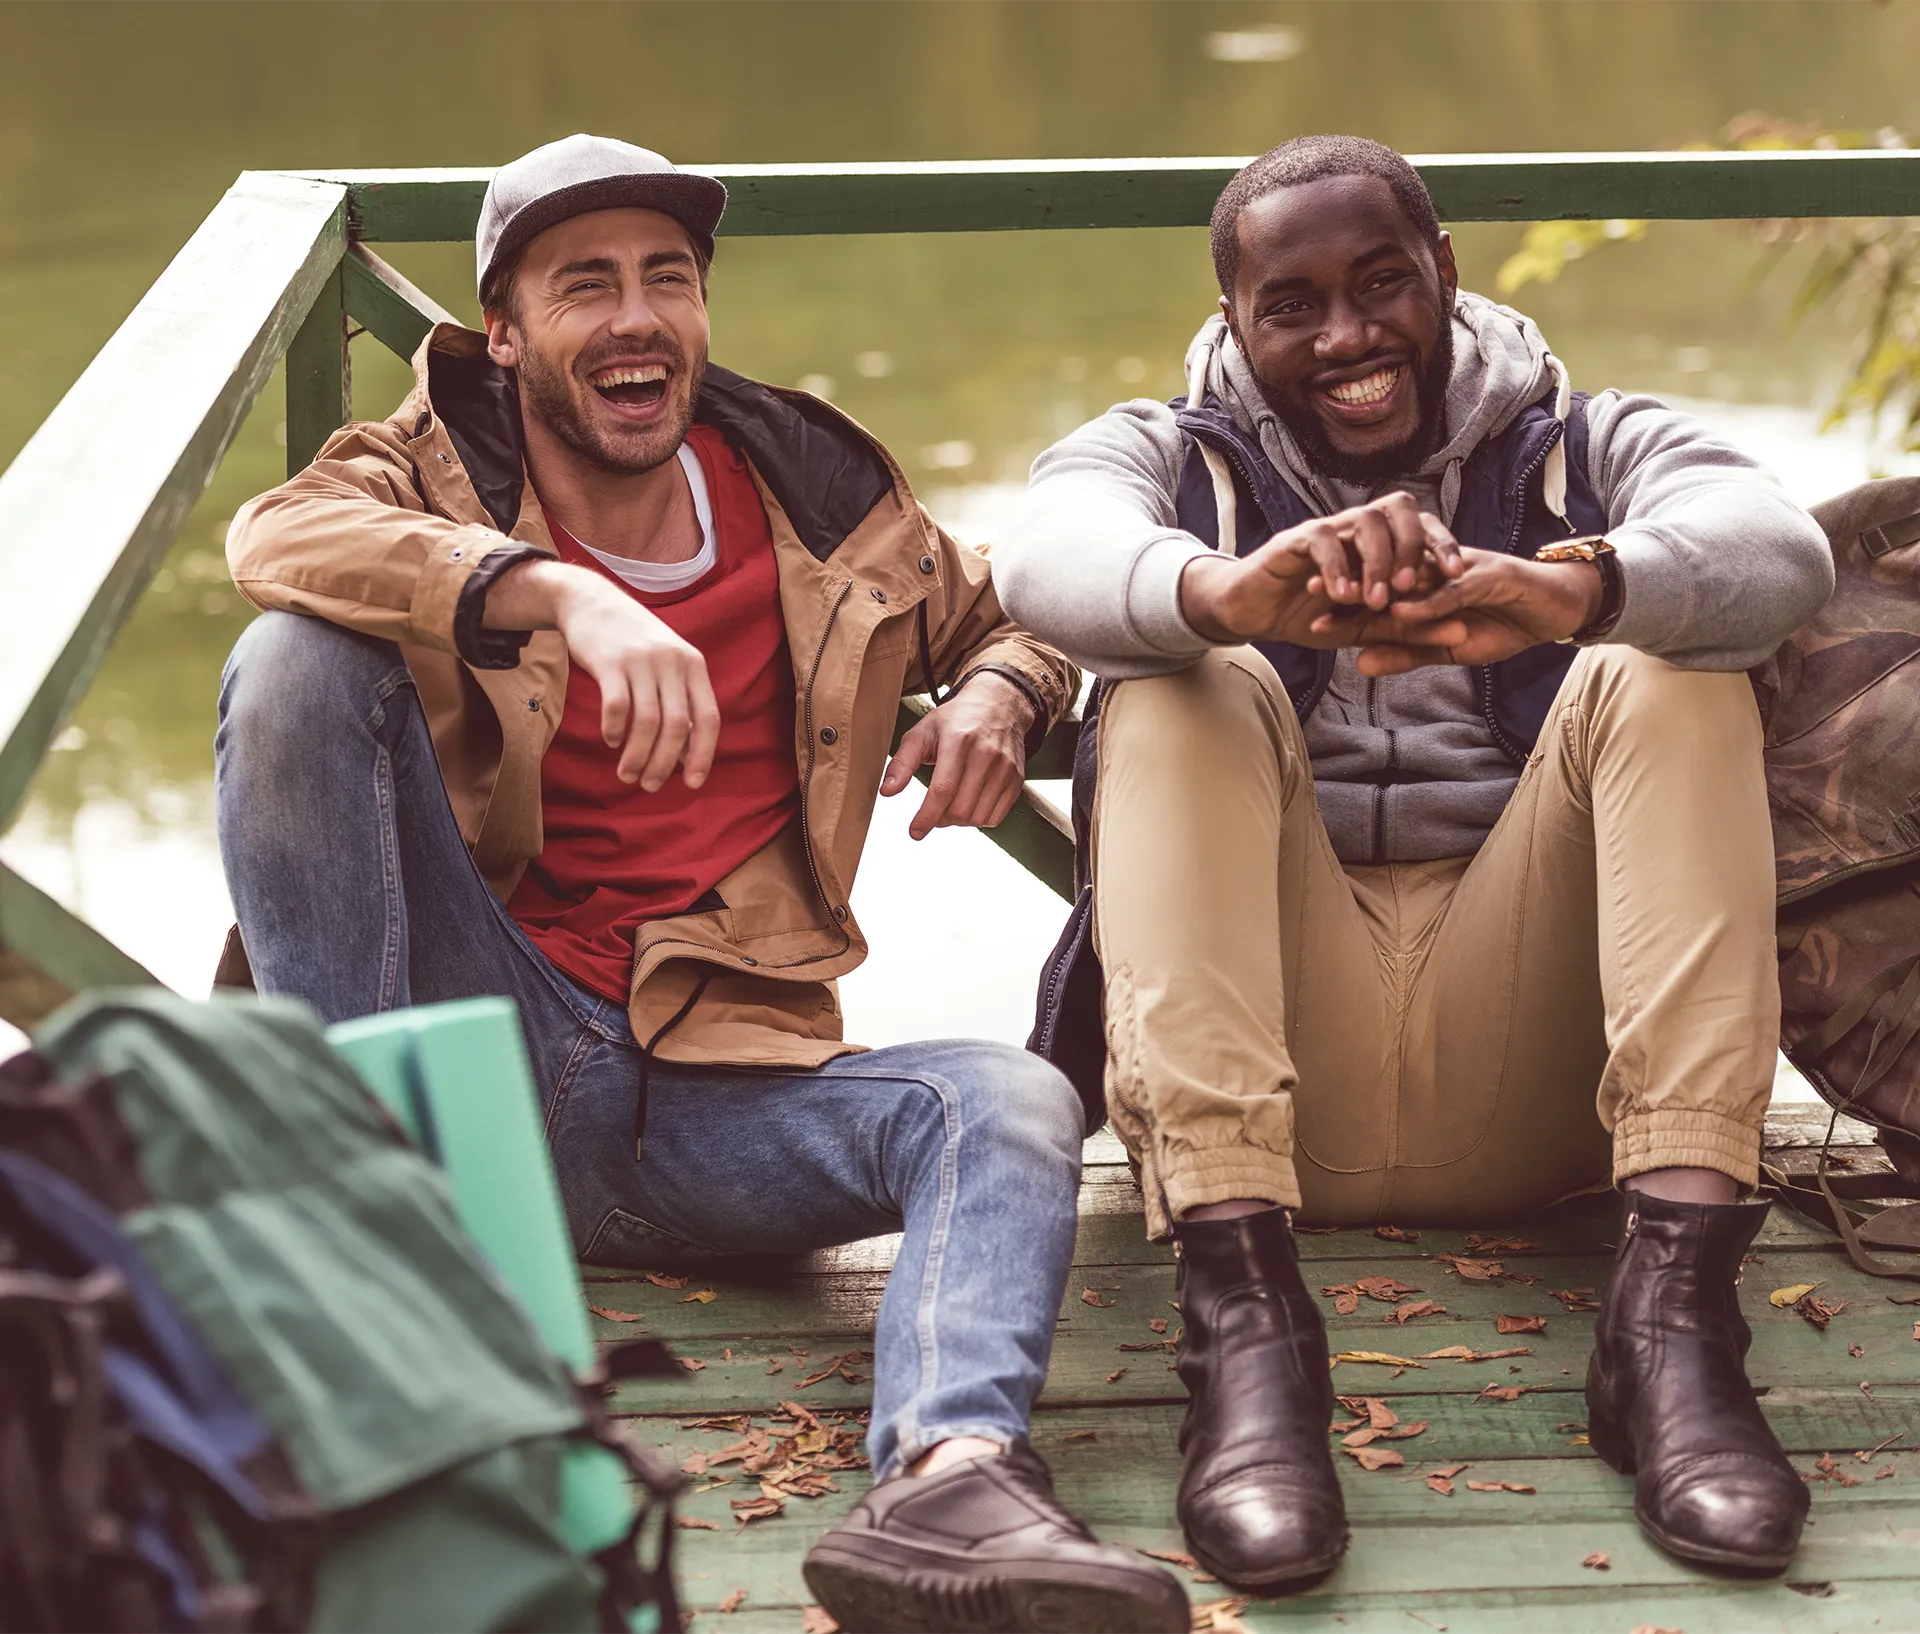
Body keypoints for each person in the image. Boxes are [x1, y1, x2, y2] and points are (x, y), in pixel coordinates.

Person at [215, 133, 1187, 1634]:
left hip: (717, 1095)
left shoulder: (819, 492)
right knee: (293, 661)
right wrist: (550, 592)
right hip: (479, 1034)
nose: (636, 317)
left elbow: (1020, 601)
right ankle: (363, 1272)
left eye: (667, 277)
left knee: (1006, 1099)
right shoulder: (427, 461)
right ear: (508, 329)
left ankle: (950, 1474)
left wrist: (1000, 685)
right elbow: (276, 537)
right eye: (584, 283)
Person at [996, 135, 1835, 1590]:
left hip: (1545, 1081)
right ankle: (1246, 1334)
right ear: (1238, 322)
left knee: (1675, 663)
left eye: (1384, 284)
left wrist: (1577, 589)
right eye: (1294, 304)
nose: (1348, 337)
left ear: (1447, 275)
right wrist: (1217, 591)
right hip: (1265, 1103)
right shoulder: (1168, 454)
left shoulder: (1588, 440)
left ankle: (1674, 1328)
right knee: (1175, 677)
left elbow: (1778, 549)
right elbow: (1043, 554)